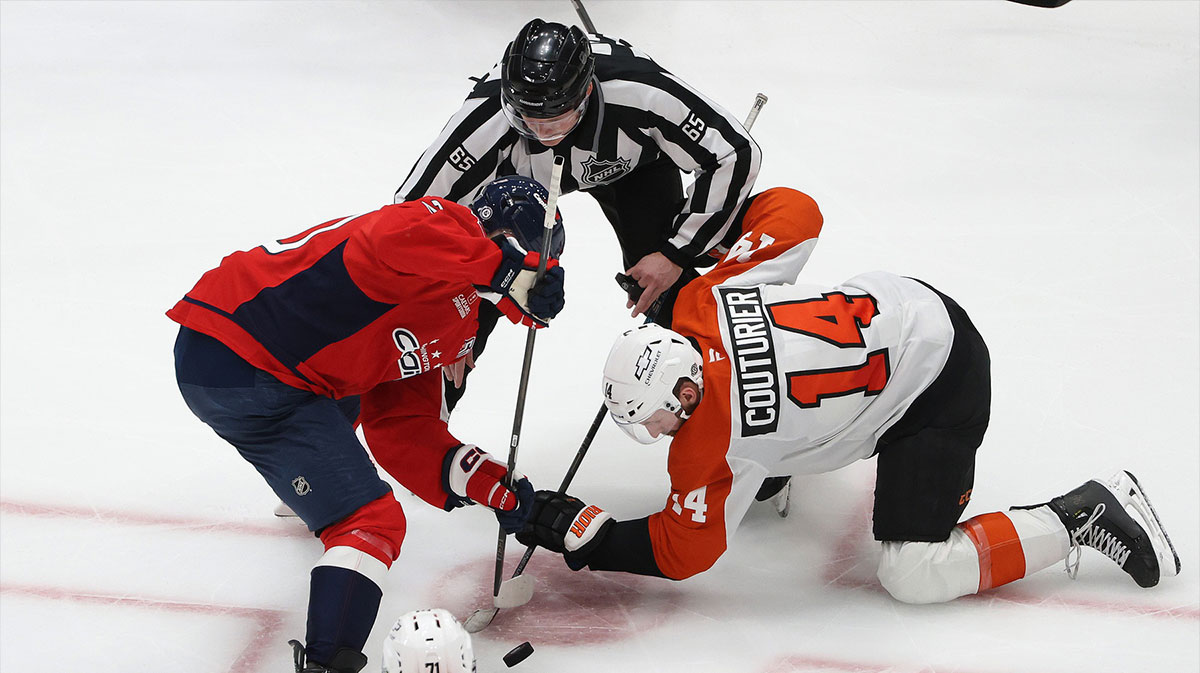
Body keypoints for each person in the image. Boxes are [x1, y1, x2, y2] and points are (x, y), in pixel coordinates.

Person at [516, 187, 1181, 604]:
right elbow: (797, 211)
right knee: (765, 441)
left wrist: (587, 535)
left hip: (937, 383)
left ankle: (1081, 513)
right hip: (911, 305)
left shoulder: (709, 442)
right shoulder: (701, 298)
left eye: (657, 419)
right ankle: (775, 475)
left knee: (914, 572)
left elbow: (686, 551)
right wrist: (695, 257)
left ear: (682, 388)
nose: (660, 432)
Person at [168, 176, 565, 673]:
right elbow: (386, 240)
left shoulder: (461, 321)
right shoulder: (442, 221)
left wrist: (485, 480)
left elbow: (400, 424)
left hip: (276, 370)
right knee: (370, 524)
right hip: (241, 355)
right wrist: (502, 269)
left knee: (355, 388)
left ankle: (315, 488)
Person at [396, 17, 762, 408]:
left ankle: (722, 407)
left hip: (636, 168)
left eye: (556, 119)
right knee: (459, 316)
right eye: (528, 119)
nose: (542, 133)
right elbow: (407, 223)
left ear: (587, 93)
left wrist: (677, 251)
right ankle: (425, 428)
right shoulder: (488, 120)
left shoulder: (639, 90)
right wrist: (447, 316)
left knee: (660, 283)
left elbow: (736, 151)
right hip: (515, 189)